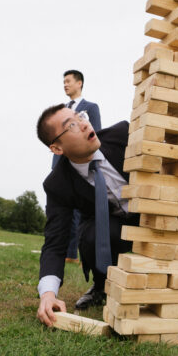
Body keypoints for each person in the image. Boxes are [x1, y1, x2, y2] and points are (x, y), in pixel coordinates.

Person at [35, 104, 138, 326]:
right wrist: (48, 294)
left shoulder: (124, 134)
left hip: (151, 216)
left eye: (80, 116)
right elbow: (55, 243)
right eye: (71, 125)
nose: (83, 124)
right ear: (57, 148)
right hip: (110, 226)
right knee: (90, 235)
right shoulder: (57, 183)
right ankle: (102, 285)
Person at [52, 69, 102, 266]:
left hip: (82, 164)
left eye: (68, 81)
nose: (65, 84)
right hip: (61, 164)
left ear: (79, 83)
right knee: (63, 209)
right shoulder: (60, 110)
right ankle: (68, 253)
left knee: (82, 210)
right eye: (63, 82)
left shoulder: (91, 107)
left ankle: (84, 254)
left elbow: (97, 135)